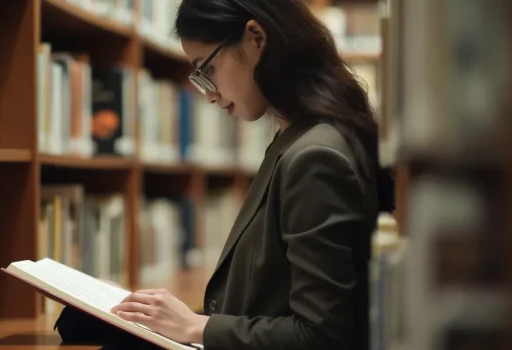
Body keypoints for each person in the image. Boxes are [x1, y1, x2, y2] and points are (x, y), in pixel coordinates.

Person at [109, 0, 395, 349]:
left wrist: (196, 327)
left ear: (256, 38)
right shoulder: (297, 138)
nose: (209, 95)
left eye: (207, 70)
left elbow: (321, 335)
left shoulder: (316, 155)